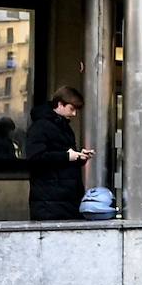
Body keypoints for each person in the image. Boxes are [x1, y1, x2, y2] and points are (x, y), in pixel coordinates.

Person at [25, 86, 91, 221]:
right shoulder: (40, 127)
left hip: (63, 199)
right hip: (49, 201)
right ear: (60, 104)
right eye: (71, 109)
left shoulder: (64, 127)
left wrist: (79, 157)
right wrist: (67, 156)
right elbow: (35, 158)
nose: (74, 114)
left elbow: (63, 158)